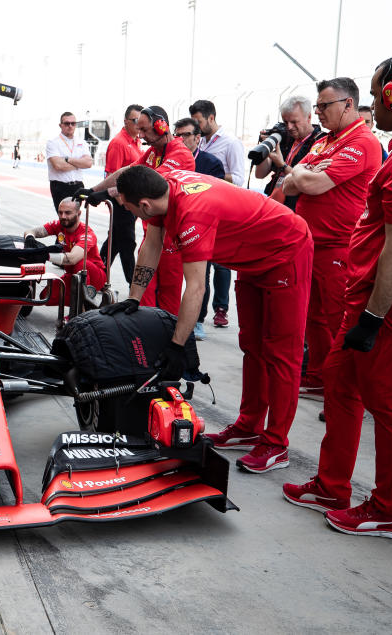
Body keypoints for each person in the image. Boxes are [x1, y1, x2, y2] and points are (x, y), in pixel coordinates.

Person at [283, 52, 392, 539]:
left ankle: (390, 509)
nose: (372, 103)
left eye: (376, 91)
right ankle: (332, 484)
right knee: (341, 384)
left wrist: (373, 318)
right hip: (365, 293)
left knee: (389, 403)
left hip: (390, 301)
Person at [110, 166, 312, 474]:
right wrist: (134, 297)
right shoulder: (163, 186)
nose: (127, 211)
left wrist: (177, 346)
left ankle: (276, 443)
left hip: (286, 251)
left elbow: (196, 287)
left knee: (282, 353)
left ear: (145, 206)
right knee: (252, 346)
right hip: (252, 260)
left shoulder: (192, 213)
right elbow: (152, 245)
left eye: (128, 206)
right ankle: (248, 426)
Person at [283, 77, 383, 400]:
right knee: (312, 317)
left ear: (348, 104)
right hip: (311, 244)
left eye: (325, 106)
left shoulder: (362, 142)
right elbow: (289, 184)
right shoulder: (324, 142)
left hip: (341, 246)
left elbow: (310, 185)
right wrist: (303, 173)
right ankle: (319, 375)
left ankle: (344, 388)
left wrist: (303, 174)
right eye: (317, 106)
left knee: (338, 320)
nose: (319, 112)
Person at [80, 106, 195, 316]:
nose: (141, 135)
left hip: (173, 239)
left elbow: (148, 185)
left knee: (168, 301)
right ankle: (143, 339)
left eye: (144, 130)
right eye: (138, 130)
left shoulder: (180, 155)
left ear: (161, 125)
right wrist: (95, 190)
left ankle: (167, 340)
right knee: (142, 295)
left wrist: (108, 194)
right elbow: (127, 171)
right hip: (153, 233)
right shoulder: (154, 152)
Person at [189, 99, 246, 328]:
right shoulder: (198, 142)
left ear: (211, 118)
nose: (196, 126)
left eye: (198, 121)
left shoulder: (231, 143)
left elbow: (239, 178)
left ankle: (220, 309)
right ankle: (198, 314)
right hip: (202, 209)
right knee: (202, 263)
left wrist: (210, 177)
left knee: (222, 265)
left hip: (224, 208)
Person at [172, 117, 225, 341]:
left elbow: (216, 195)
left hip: (204, 226)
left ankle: (198, 320)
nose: (181, 139)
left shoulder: (210, 163)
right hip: (176, 225)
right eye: (177, 135)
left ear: (197, 137)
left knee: (201, 276)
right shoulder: (170, 161)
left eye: (185, 135)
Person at [24, 197, 107, 307]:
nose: (63, 216)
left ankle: (79, 309)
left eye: (68, 213)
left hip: (93, 275)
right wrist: (30, 237)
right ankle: (85, 305)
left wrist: (45, 255)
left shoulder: (86, 233)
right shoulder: (59, 225)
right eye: (60, 212)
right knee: (45, 297)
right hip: (72, 273)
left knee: (81, 263)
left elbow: (73, 259)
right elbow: (30, 231)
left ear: (79, 213)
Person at [253, 96, 323, 212]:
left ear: (309, 117)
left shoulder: (320, 142)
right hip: (273, 205)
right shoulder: (285, 138)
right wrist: (266, 148)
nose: (289, 127)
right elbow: (260, 174)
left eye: (294, 122)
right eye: (286, 122)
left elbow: (309, 183)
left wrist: (282, 165)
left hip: (296, 211)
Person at [101, 104, 145, 286]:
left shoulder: (137, 141)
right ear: (126, 121)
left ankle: (96, 274)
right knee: (127, 244)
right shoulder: (119, 143)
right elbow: (111, 176)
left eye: (141, 121)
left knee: (114, 243)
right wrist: (124, 204)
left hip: (131, 205)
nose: (139, 124)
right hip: (122, 204)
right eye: (135, 121)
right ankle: (133, 286)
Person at [45, 112, 93, 211]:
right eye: (67, 123)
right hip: (60, 187)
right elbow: (58, 165)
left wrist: (68, 160)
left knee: (75, 218)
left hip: (78, 186)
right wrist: (79, 164)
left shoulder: (82, 142)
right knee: (65, 219)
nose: (70, 126)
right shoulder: (53, 143)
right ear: (60, 125)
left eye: (73, 123)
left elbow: (88, 163)